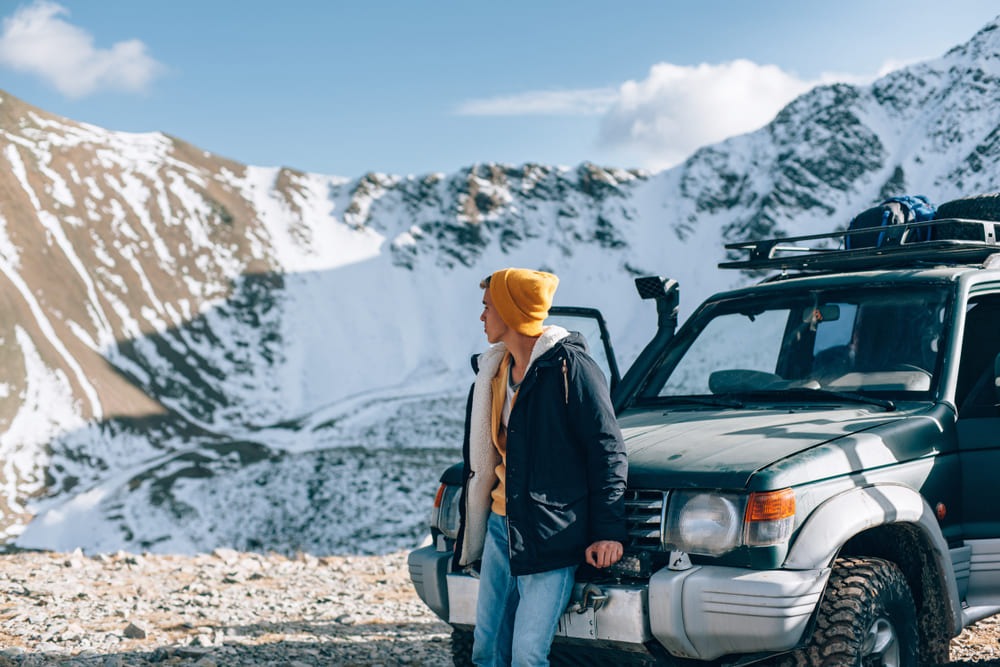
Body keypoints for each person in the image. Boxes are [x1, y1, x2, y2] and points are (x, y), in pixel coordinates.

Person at [452, 267, 628, 667]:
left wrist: (607, 531)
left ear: (512, 312)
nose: (481, 317)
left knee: (528, 655)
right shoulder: (493, 373)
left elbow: (607, 450)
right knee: (486, 650)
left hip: (551, 535)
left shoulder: (571, 368)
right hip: (501, 526)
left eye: (487, 308)